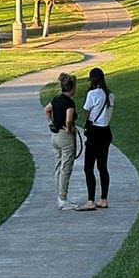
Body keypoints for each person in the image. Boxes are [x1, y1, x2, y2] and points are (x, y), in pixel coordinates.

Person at [80, 67, 115, 211]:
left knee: (88, 167)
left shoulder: (92, 94)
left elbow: (86, 113)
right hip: (106, 131)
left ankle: (90, 201)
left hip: (94, 132)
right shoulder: (111, 95)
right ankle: (103, 199)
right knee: (102, 166)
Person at [43, 72, 79, 210]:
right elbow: (69, 118)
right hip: (66, 137)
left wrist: (52, 123)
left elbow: (47, 110)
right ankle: (63, 199)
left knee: (58, 166)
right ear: (71, 87)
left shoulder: (56, 98)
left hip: (55, 136)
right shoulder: (69, 102)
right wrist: (70, 129)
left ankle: (59, 196)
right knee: (66, 168)